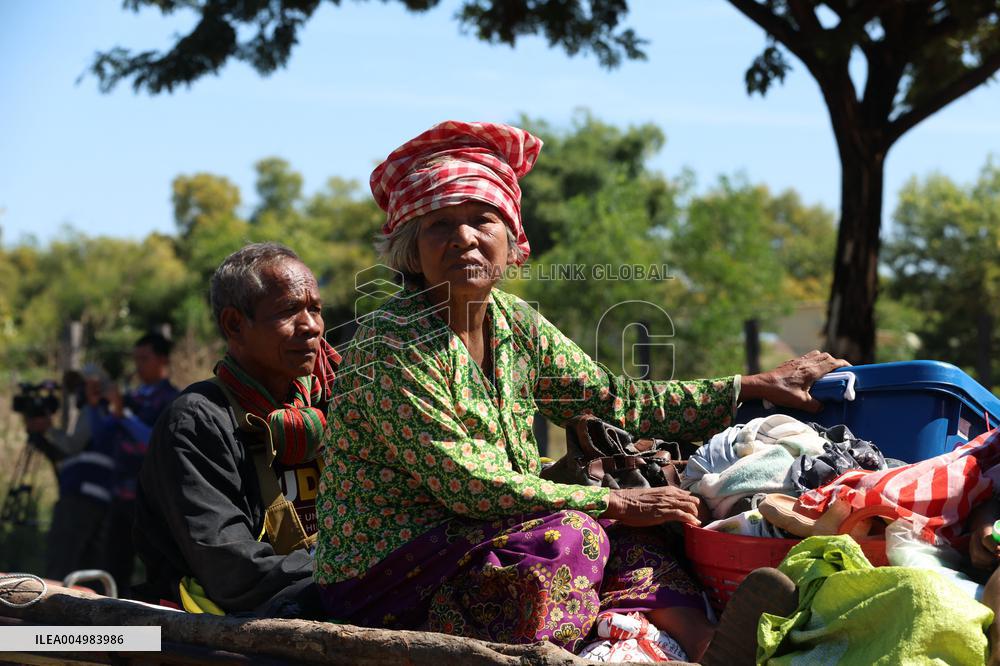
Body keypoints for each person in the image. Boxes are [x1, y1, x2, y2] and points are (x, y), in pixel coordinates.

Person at [314, 121, 847, 661]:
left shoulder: (514, 323)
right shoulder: (390, 345)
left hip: (483, 537)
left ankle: (705, 643)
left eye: (482, 220)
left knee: (648, 517)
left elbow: (614, 401)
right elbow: (468, 485)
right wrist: (612, 501)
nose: (464, 239)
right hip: (387, 574)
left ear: (511, 238)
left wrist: (752, 385)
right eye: (440, 226)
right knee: (574, 534)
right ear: (411, 248)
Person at [133, 242, 340, 616]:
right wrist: (356, 576)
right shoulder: (197, 422)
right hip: (219, 635)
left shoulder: (332, 404)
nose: (311, 326)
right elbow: (234, 572)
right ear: (234, 324)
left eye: (315, 309)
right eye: (289, 310)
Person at [91, 332, 179, 598]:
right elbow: (100, 438)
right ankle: (110, 631)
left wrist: (123, 414)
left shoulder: (173, 399)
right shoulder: (132, 397)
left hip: (153, 502)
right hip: (120, 497)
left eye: (145, 358)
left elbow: (153, 441)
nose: (138, 365)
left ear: (163, 360)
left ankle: (160, 637)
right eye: (136, 359)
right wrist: (94, 406)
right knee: (113, 569)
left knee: (160, 573)